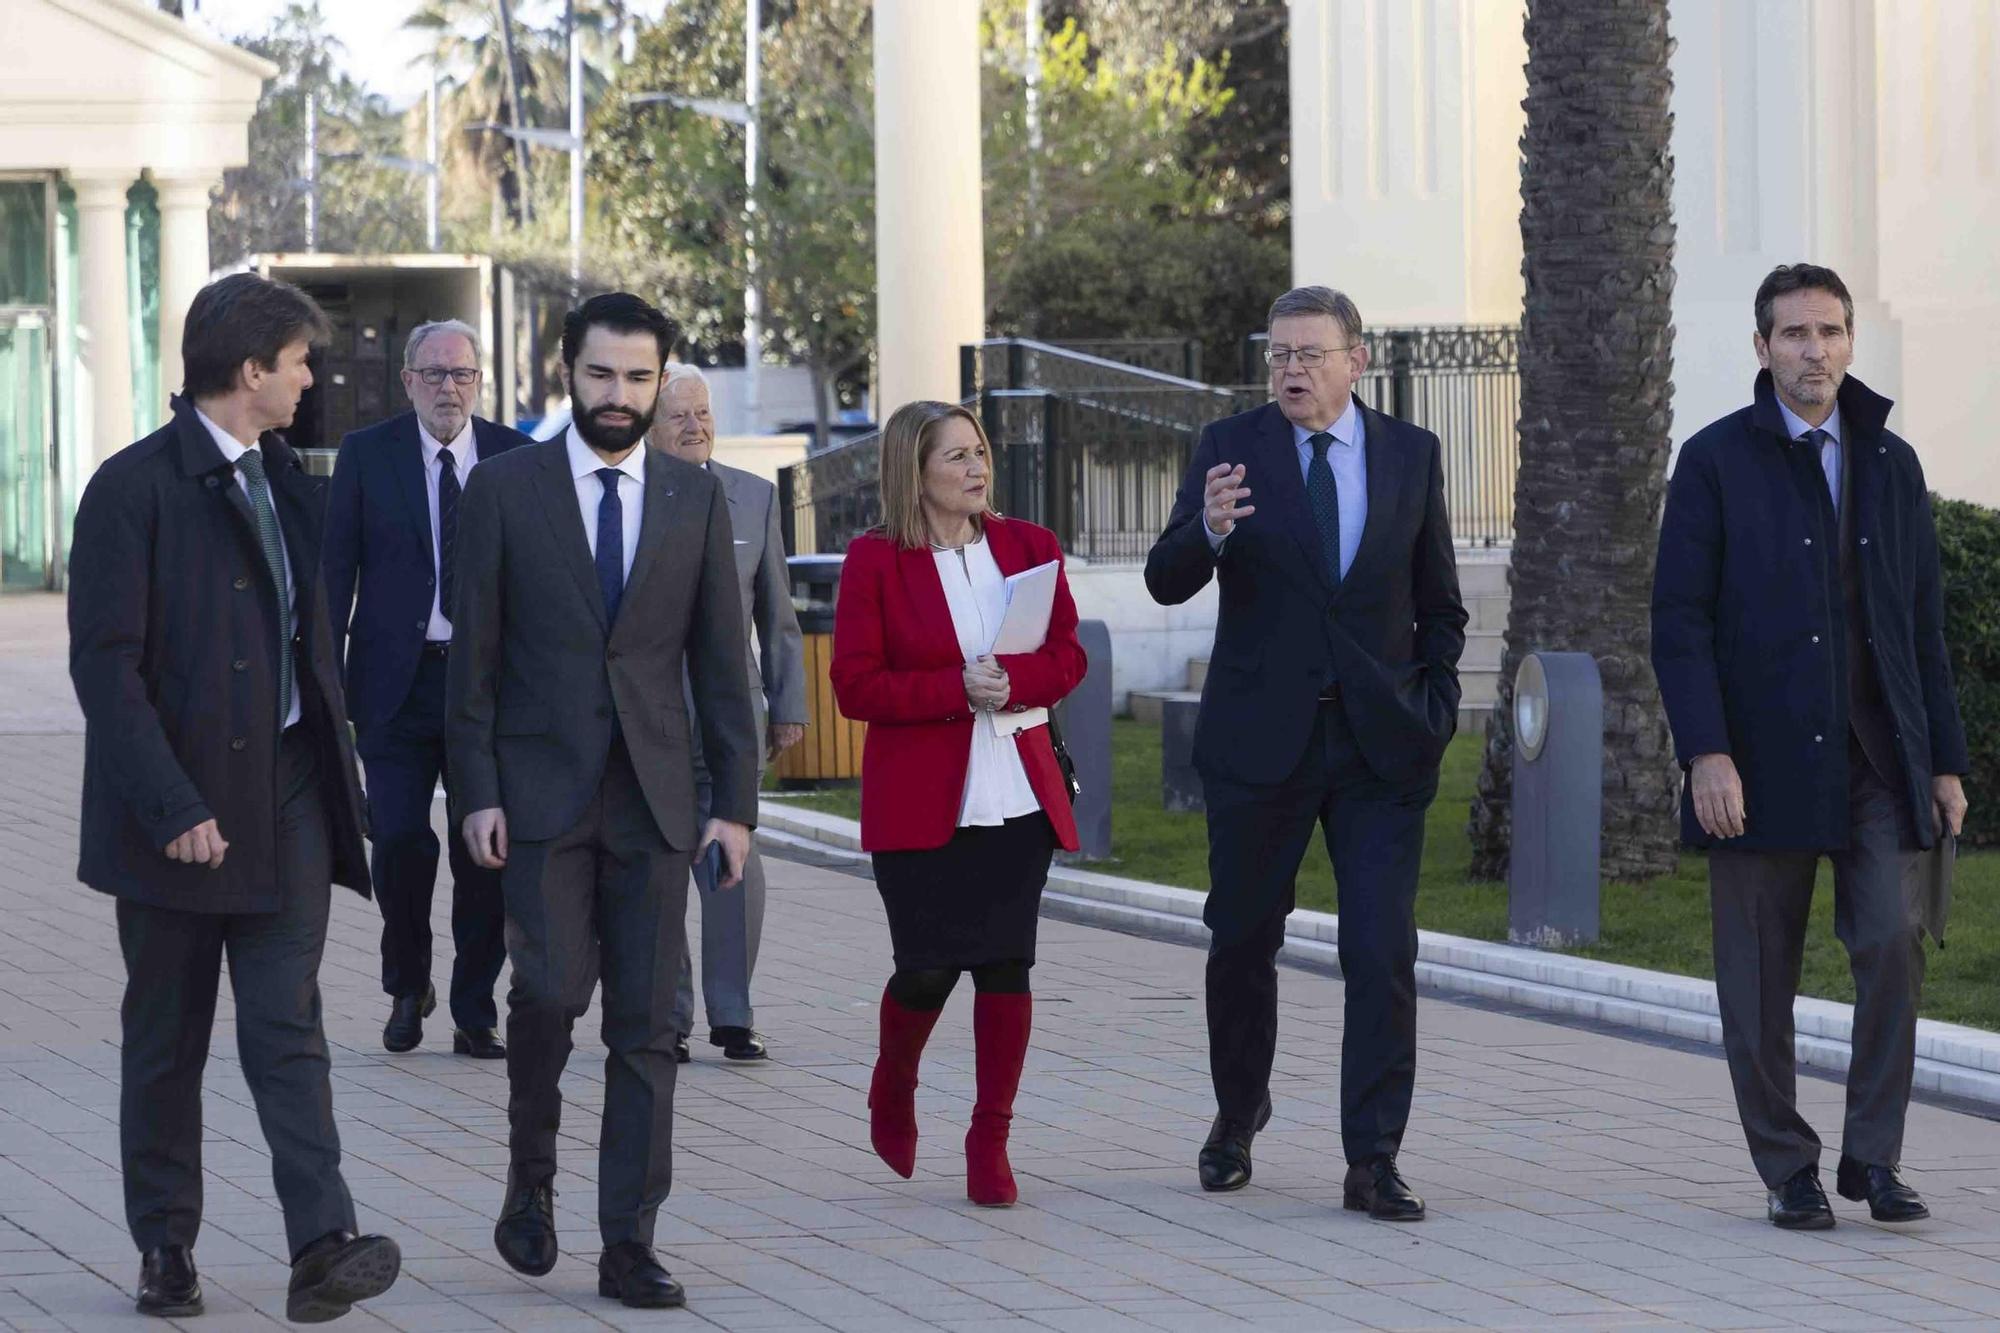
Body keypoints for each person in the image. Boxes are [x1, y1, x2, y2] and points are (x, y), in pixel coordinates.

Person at [67, 272, 401, 1322]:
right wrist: (172, 804)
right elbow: (105, 667)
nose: (312, 376)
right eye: (299, 360)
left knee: (285, 1022)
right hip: (174, 819)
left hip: (291, 797)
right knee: (166, 1037)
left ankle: (321, 1242)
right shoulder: (132, 489)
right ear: (251, 370)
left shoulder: (288, 477)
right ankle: (164, 1247)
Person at [445, 292, 760, 1310]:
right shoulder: (502, 491)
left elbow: (722, 666)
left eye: (636, 378)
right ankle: (528, 1177)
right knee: (544, 995)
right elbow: (473, 669)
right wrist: (478, 793)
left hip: (657, 806)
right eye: (598, 375)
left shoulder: (692, 497)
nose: (616, 396)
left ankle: (628, 1239)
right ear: (564, 373)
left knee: (647, 1026)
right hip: (537, 799)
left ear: (659, 381)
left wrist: (735, 806)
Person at [1652, 263, 1971, 1230]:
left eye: (1829, 332)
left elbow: (1923, 625)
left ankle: (1873, 1158)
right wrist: (1706, 752)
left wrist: (1945, 760)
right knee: (1757, 977)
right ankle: (1787, 1164)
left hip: (1879, 755)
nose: (1814, 350)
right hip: (1756, 763)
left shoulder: (1891, 462)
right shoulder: (1713, 462)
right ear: (1762, 348)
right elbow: (1679, 623)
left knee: (1891, 941)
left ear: (1847, 343)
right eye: (1794, 334)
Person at [1144, 286, 1467, 1220]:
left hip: (1378, 746)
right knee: (1243, 937)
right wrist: (1205, 530)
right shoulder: (1227, 448)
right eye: (1278, 352)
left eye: (1310, 353)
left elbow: (1438, 600)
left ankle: (1372, 1156)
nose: (1290, 368)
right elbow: (1168, 579)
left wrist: (1434, 702)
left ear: (1355, 359)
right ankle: (1237, 1115)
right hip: (1261, 742)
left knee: (1379, 949)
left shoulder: (1412, 454)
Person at [831, 400, 1087, 1208]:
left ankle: (991, 1136)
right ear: (916, 471)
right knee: (928, 966)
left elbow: (1067, 653)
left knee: (1007, 963)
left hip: (1018, 793)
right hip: (922, 798)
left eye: (980, 453)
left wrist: (1016, 682)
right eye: (957, 457)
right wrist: (955, 689)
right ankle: (895, 1079)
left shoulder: (1029, 547)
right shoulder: (875, 561)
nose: (978, 468)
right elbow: (853, 684)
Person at [323, 319, 531, 1060]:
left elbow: (542, 582)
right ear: (407, 379)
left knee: (487, 853)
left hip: (489, 691)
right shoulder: (366, 455)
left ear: (480, 381)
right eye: (435, 374)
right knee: (402, 842)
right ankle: (408, 984)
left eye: (463, 374)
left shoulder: (516, 457)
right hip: (395, 689)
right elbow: (333, 575)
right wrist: (328, 688)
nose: (449, 388)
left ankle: (476, 1006)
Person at [649, 363, 807, 1064]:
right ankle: (669, 1017)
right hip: (645, 718)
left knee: (735, 863)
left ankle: (732, 1013)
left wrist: (789, 702)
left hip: (730, 717)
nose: (694, 425)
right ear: (650, 427)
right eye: (678, 415)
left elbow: (777, 613)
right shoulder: (627, 497)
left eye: (703, 413)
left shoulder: (752, 498)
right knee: (655, 867)